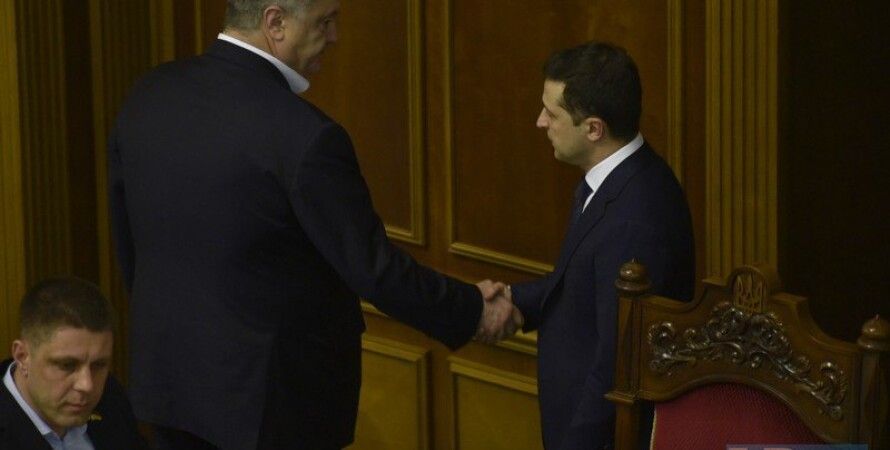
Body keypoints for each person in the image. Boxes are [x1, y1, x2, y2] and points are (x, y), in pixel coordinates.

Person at [107, 1, 518, 449]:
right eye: (325, 21)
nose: (335, 36)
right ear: (275, 22)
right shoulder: (305, 136)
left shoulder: (150, 93)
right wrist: (472, 310)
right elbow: (374, 270)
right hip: (270, 409)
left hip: (169, 386)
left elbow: (129, 245)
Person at [504, 42, 695, 449]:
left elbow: (615, 364)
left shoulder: (635, 218)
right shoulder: (615, 181)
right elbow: (582, 284)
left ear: (593, 129)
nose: (540, 122)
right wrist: (511, 300)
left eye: (552, 113)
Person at [0, 277, 144, 449]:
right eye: (67, 365)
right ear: (22, 357)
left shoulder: (112, 397)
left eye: (98, 365)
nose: (87, 385)